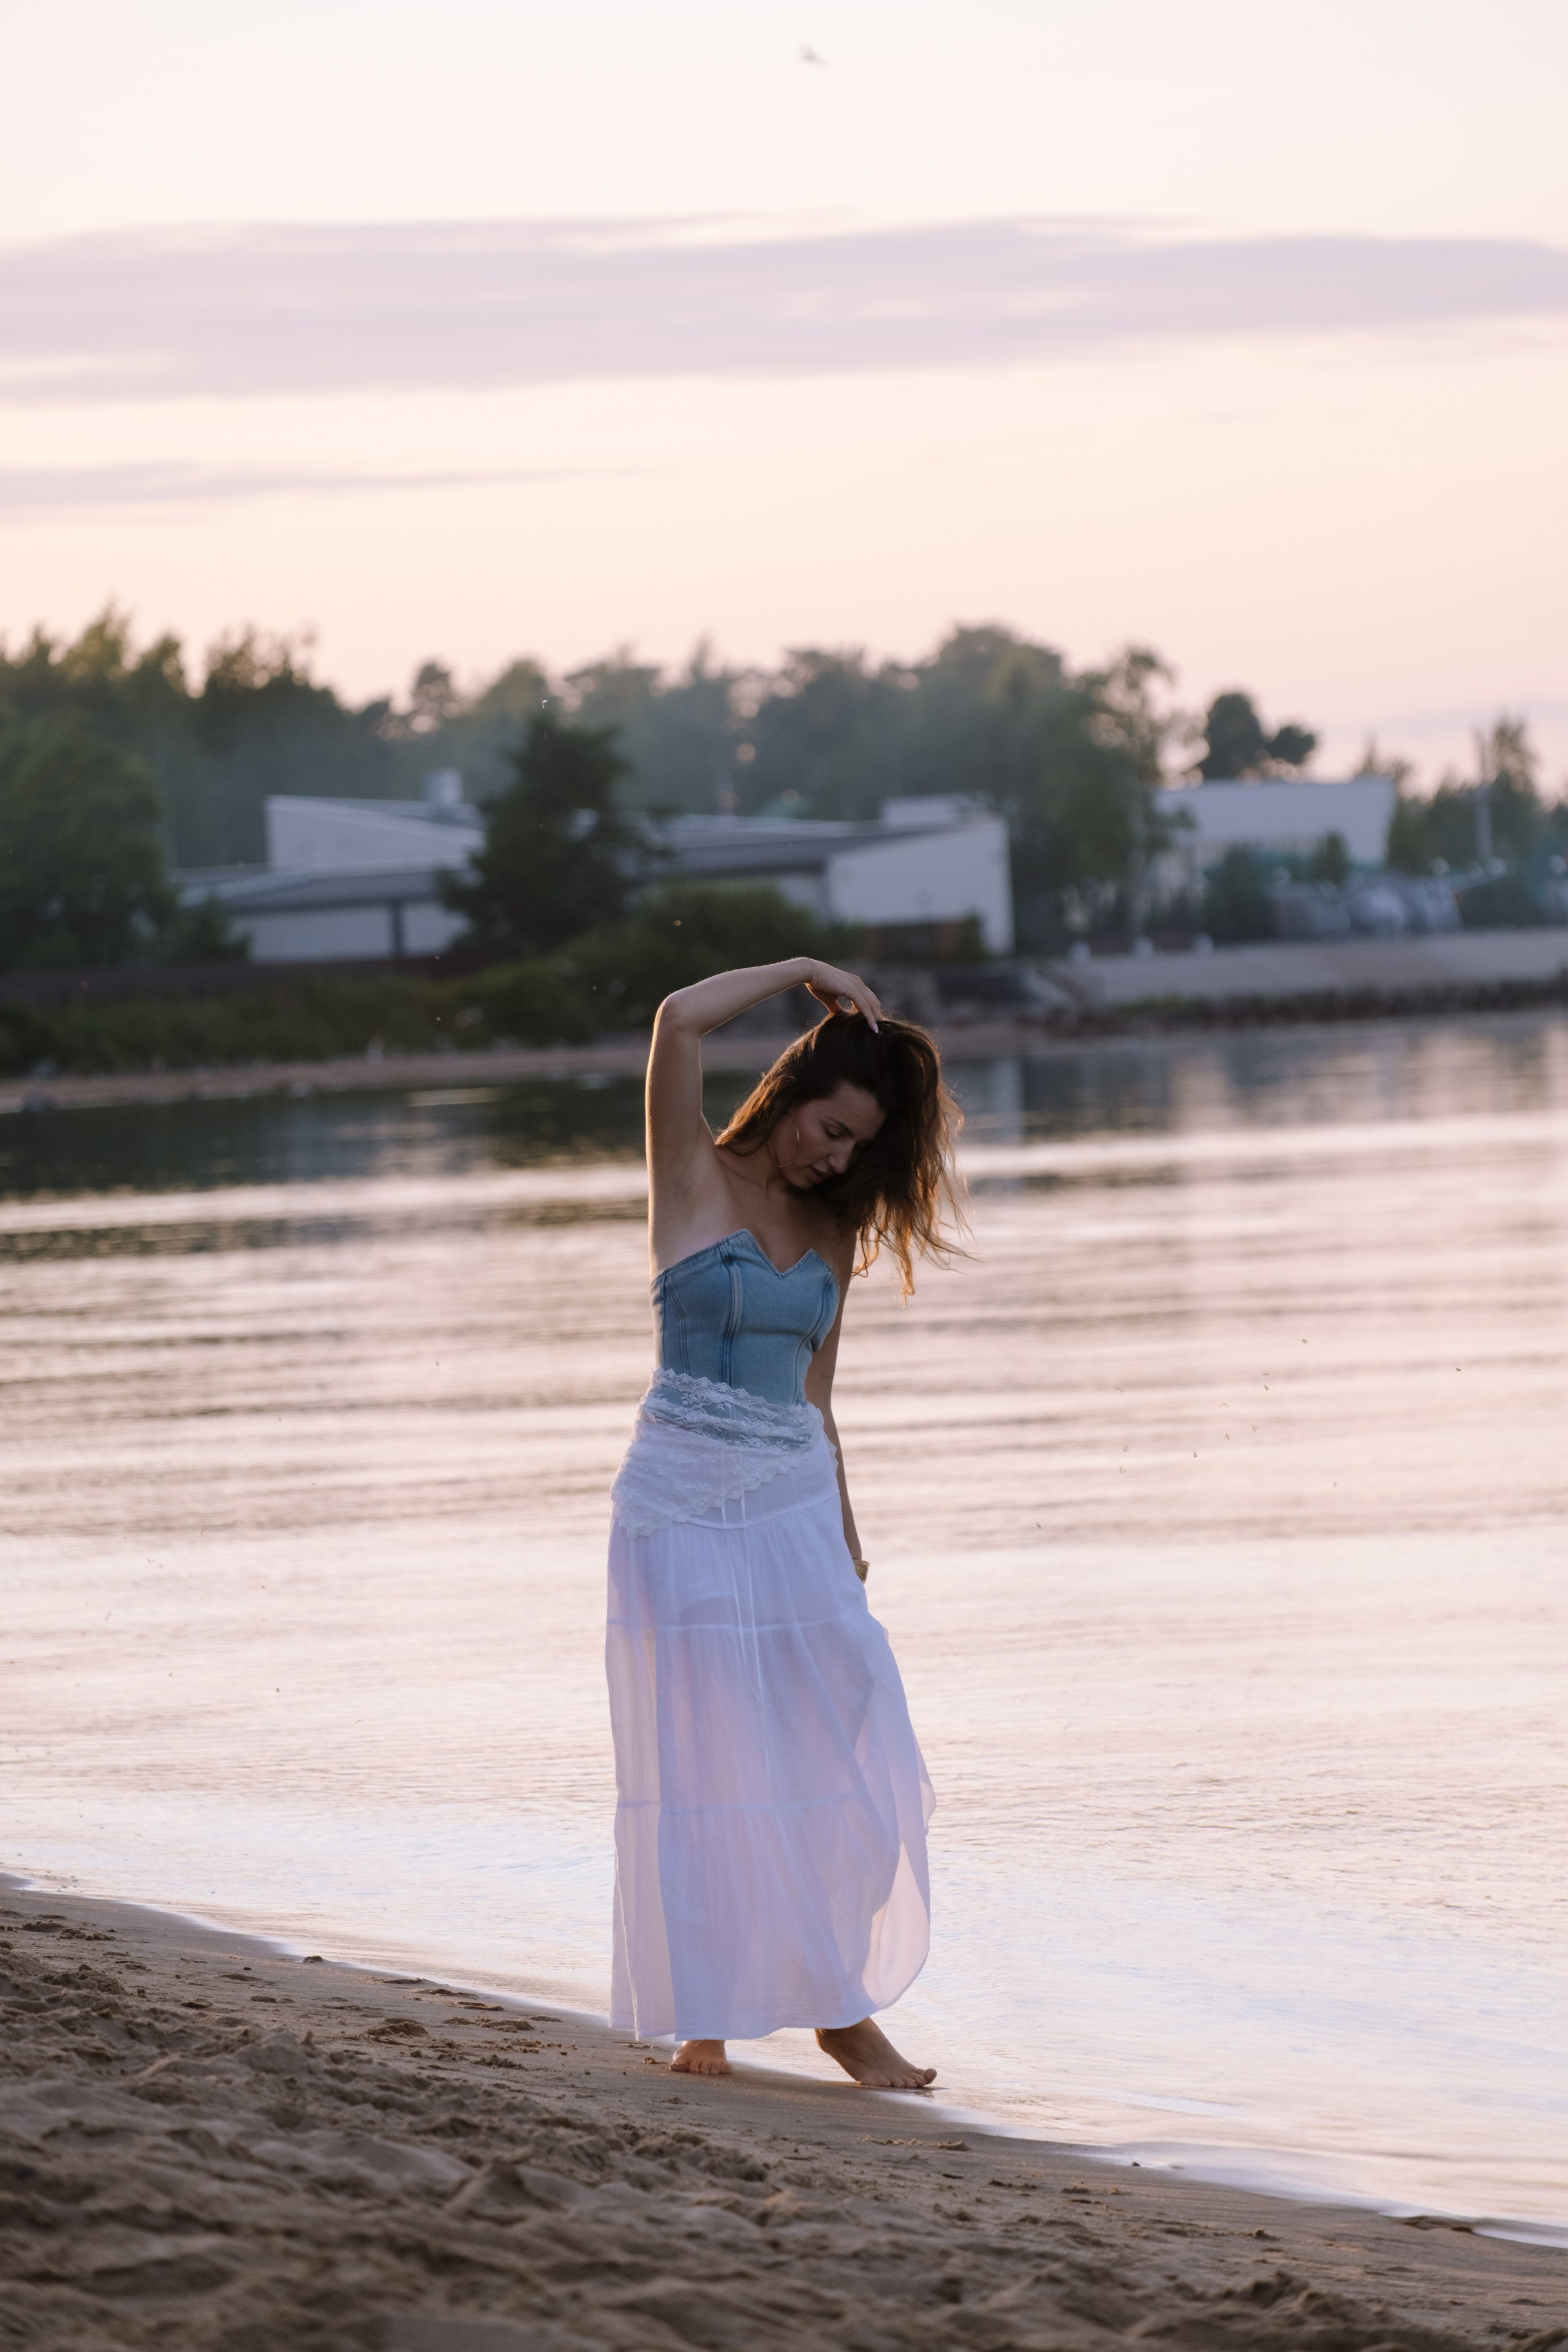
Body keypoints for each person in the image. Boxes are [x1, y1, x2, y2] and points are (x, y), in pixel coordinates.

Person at [605, 955, 961, 2088]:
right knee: (708, 1753)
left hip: (795, 1502)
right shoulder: (690, 1173)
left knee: (843, 1727)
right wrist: (802, 970)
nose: (837, 1157)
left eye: (858, 1146)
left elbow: (819, 1399)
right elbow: (675, 1018)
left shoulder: (833, 1230)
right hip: (682, 1500)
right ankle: (707, 2017)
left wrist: (850, 1545)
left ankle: (837, 2007)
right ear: (793, 1092)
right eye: (832, 1129)